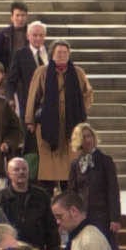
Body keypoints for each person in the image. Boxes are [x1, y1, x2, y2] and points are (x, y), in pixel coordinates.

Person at [26, 38, 92, 187]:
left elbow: (88, 93)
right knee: (49, 165)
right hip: (48, 123)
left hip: (71, 122)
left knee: (70, 163)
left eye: (65, 52)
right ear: (52, 54)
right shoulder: (42, 71)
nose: (62, 55)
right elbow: (33, 96)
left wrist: (81, 110)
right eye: (59, 52)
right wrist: (30, 120)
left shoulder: (77, 72)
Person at [66, 123, 122, 245]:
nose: (87, 140)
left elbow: (113, 190)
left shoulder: (105, 161)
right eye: (83, 137)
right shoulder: (75, 164)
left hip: (101, 216)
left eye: (89, 136)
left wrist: (115, 218)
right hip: (82, 215)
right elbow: (72, 192)